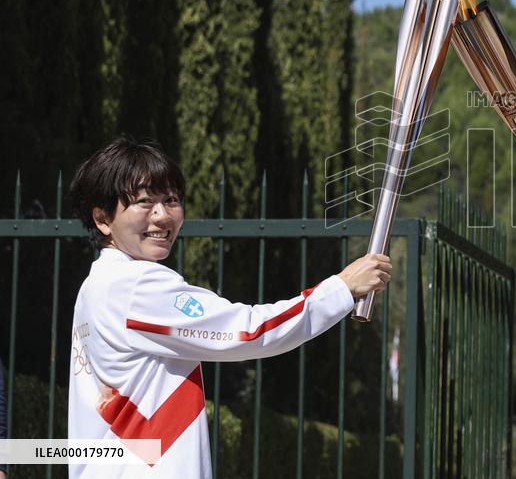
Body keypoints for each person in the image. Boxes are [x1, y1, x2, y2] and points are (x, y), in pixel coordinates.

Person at [67, 137, 391, 478]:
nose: (162, 216)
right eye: (145, 202)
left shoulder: (96, 286)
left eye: (172, 200)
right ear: (103, 219)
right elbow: (249, 332)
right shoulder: (135, 286)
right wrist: (342, 288)